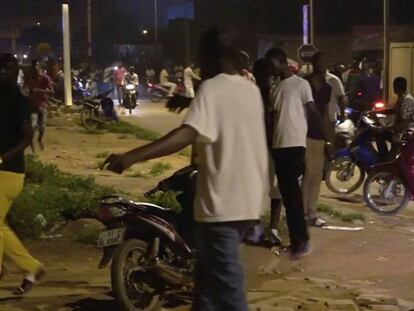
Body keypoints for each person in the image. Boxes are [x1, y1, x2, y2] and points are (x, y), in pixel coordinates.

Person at [105, 28, 270, 311]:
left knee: (230, 296)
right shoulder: (250, 89)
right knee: (205, 291)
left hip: (222, 207)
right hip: (248, 203)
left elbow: (186, 134)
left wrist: (131, 156)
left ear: (212, 56)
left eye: (201, 55)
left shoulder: (213, 88)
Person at [265, 48, 330, 258]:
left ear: (283, 62)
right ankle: (297, 241)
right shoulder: (276, 89)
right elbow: (272, 120)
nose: (271, 69)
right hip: (278, 147)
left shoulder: (301, 84)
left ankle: (301, 241)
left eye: (273, 64)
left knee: (292, 195)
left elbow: (312, 112)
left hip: (294, 145)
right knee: (288, 194)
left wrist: (326, 136)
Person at [0, 53, 45, 294]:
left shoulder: (18, 100)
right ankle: (31, 268)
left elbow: (28, 136)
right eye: (2, 69)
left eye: (10, 69)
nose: (5, 73)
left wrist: (3, 157)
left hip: (9, 171)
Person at [253, 58, 283, 245]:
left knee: (267, 187)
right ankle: (270, 227)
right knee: (273, 188)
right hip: (268, 144)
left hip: (263, 145)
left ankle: (266, 227)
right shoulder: (263, 92)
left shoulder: (265, 92)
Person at [303, 52, 332, 227]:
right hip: (305, 133)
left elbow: (326, 113)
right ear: (314, 64)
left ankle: (311, 212)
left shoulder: (327, 87)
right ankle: (302, 211)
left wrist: (329, 136)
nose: (324, 65)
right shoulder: (305, 83)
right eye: (321, 62)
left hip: (319, 134)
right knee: (307, 173)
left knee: (316, 175)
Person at [376, 77, 414, 158]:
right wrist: (376, 112)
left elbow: (404, 124)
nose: (393, 88)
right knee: (378, 133)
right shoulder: (401, 97)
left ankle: (387, 159)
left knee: (381, 133)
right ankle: (384, 157)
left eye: (394, 86)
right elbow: (394, 110)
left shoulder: (407, 101)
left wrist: (384, 128)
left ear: (398, 87)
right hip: (398, 131)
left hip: (405, 134)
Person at [24, 59, 54, 151]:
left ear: (39, 68)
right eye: (33, 68)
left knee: (42, 126)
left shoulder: (45, 78)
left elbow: (52, 91)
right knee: (32, 126)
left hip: (41, 104)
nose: (34, 69)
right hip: (31, 104)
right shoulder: (28, 78)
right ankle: (32, 144)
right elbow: (23, 89)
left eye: (36, 67)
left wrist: (39, 90)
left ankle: (39, 140)